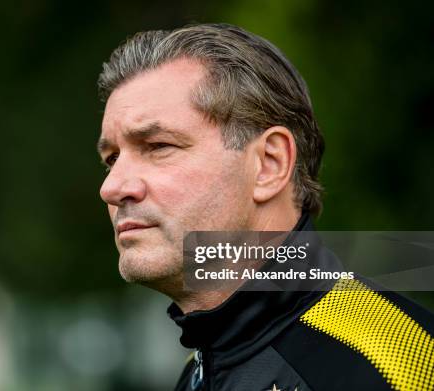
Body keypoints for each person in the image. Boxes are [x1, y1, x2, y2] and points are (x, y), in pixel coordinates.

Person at [96, 23, 433, 391]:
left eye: (158, 146)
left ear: (269, 165)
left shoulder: (399, 365)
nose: (112, 187)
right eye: (112, 159)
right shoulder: (201, 369)